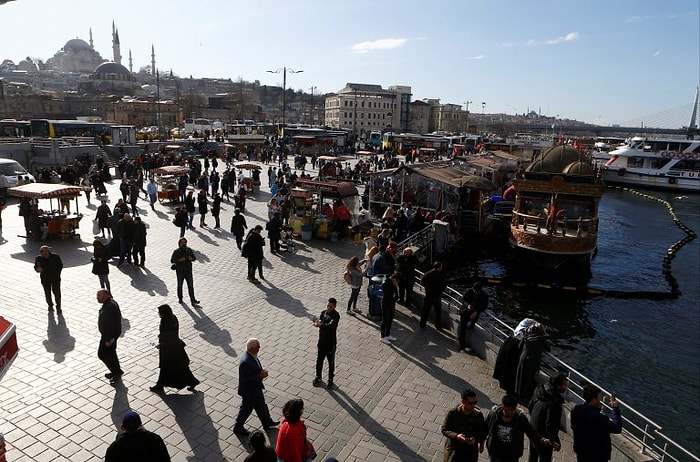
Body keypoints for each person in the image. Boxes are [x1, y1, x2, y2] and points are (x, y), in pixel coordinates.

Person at [485, 395, 553, 462]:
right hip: (496, 453)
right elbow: (485, 428)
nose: (513, 412)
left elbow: (531, 431)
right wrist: (481, 441)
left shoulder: (520, 418)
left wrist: (542, 439)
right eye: (510, 410)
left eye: (514, 409)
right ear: (503, 407)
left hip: (511, 455)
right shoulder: (494, 415)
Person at [233, 338, 279, 436]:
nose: (259, 348)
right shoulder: (246, 362)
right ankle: (238, 427)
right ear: (252, 348)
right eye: (258, 346)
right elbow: (247, 380)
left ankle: (267, 422)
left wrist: (260, 373)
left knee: (261, 406)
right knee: (246, 410)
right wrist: (260, 376)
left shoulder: (252, 355)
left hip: (255, 389)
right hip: (249, 392)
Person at [150, 304, 200, 393]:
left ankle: (160, 385)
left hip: (170, 349)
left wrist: (160, 344)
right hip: (175, 347)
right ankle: (160, 385)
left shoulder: (166, 321)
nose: (158, 314)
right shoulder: (173, 318)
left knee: (169, 367)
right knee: (179, 367)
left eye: (159, 312)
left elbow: (168, 336)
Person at [571, 384, 623, 462]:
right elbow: (618, 428)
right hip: (597, 456)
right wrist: (615, 408)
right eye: (599, 397)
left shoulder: (576, 409)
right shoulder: (601, 419)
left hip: (581, 451)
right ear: (594, 399)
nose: (601, 399)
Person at [528, 373, 569, 462]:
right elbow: (550, 423)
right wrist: (554, 440)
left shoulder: (539, 389)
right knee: (545, 458)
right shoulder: (555, 402)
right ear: (558, 386)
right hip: (544, 436)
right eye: (565, 385)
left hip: (533, 429)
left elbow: (530, 407)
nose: (566, 388)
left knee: (532, 455)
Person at [105, 410, 171, 462]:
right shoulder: (155, 439)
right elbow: (166, 459)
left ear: (122, 427)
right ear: (140, 425)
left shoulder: (114, 448)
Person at [441, 389, 487, 462]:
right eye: (470, 403)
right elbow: (444, 429)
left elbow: (482, 432)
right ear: (463, 401)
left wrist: (476, 440)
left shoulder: (478, 415)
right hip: (454, 448)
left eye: (475, 402)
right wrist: (456, 436)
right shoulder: (453, 413)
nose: (473, 405)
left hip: (470, 451)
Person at [515, 323, 550, 403]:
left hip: (523, 358)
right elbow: (548, 348)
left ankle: (518, 394)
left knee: (520, 377)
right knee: (528, 379)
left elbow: (519, 346)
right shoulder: (541, 339)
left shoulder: (527, 336)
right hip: (532, 362)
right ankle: (524, 397)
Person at [312, 298, 340, 389]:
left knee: (330, 362)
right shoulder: (323, 312)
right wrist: (316, 321)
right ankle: (318, 376)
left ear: (335, 306)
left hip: (330, 343)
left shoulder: (336, 315)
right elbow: (320, 321)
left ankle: (330, 379)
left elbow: (331, 326)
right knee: (319, 360)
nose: (328, 308)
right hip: (321, 342)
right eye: (327, 306)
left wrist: (321, 325)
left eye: (331, 306)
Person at [97, 289, 123, 384]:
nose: (97, 298)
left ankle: (116, 372)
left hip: (109, 336)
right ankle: (116, 371)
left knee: (102, 354)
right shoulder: (110, 303)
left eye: (100, 296)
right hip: (110, 335)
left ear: (106, 296)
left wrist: (109, 339)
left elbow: (111, 325)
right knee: (111, 353)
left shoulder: (109, 307)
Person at [459, 282, 489, 353]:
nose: (475, 292)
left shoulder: (484, 296)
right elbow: (463, 299)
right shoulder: (468, 291)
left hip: (474, 314)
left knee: (469, 326)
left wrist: (476, 311)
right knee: (462, 328)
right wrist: (467, 305)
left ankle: (463, 344)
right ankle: (461, 346)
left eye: (477, 291)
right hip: (465, 312)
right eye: (474, 290)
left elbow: (484, 306)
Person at [170, 237, 200, 305]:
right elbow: (172, 260)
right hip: (180, 271)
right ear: (179, 243)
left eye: (185, 242)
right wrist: (179, 260)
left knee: (191, 286)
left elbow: (194, 258)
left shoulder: (188, 250)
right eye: (182, 242)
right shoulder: (176, 251)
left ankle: (193, 300)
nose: (184, 244)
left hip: (188, 271)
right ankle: (180, 298)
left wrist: (191, 258)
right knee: (180, 285)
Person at [34, 245, 63, 313]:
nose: (41, 254)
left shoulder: (55, 257)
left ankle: (58, 307)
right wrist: (37, 269)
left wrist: (57, 274)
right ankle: (50, 305)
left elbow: (60, 266)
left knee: (57, 293)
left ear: (47, 252)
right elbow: (36, 266)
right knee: (47, 293)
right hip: (45, 279)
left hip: (55, 279)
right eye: (40, 252)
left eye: (42, 252)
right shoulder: (38, 258)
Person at [420, 261, 446, 330]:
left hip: (428, 295)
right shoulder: (440, 275)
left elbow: (422, 282)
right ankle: (438, 325)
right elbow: (443, 286)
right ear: (439, 268)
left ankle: (422, 324)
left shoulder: (428, 273)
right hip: (436, 296)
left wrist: (426, 288)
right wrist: (440, 291)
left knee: (425, 310)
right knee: (438, 312)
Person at [380, 272, 401, 345]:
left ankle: (387, 334)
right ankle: (382, 336)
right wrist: (394, 287)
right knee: (385, 320)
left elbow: (396, 294)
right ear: (394, 279)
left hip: (392, 304)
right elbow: (387, 293)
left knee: (390, 319)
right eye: (397, 281)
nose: (397, 283)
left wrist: (395, 287)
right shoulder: (386, 283)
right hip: (386, 304)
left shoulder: (394, 284)